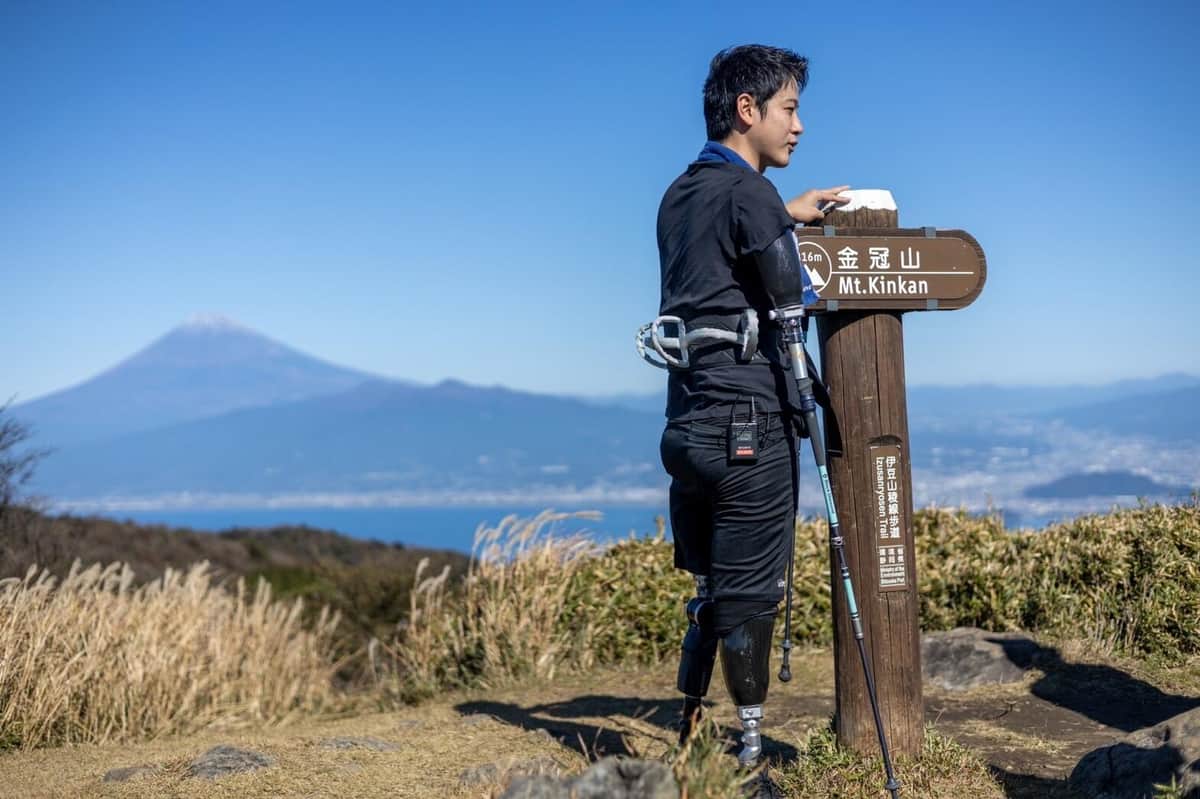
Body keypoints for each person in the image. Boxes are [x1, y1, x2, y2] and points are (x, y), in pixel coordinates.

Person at [656, 44, 848, 767]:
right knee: (751, 597)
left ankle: (689, 730)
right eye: (789, 109)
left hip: (686, 425)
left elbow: (722, 257)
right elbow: (789, 297)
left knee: (711, 586)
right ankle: (750, 757)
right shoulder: (752, 195)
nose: (799, 125)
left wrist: (781, 214)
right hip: (750, 427)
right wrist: (779, 218)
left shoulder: (681, 194)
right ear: (747, 109)